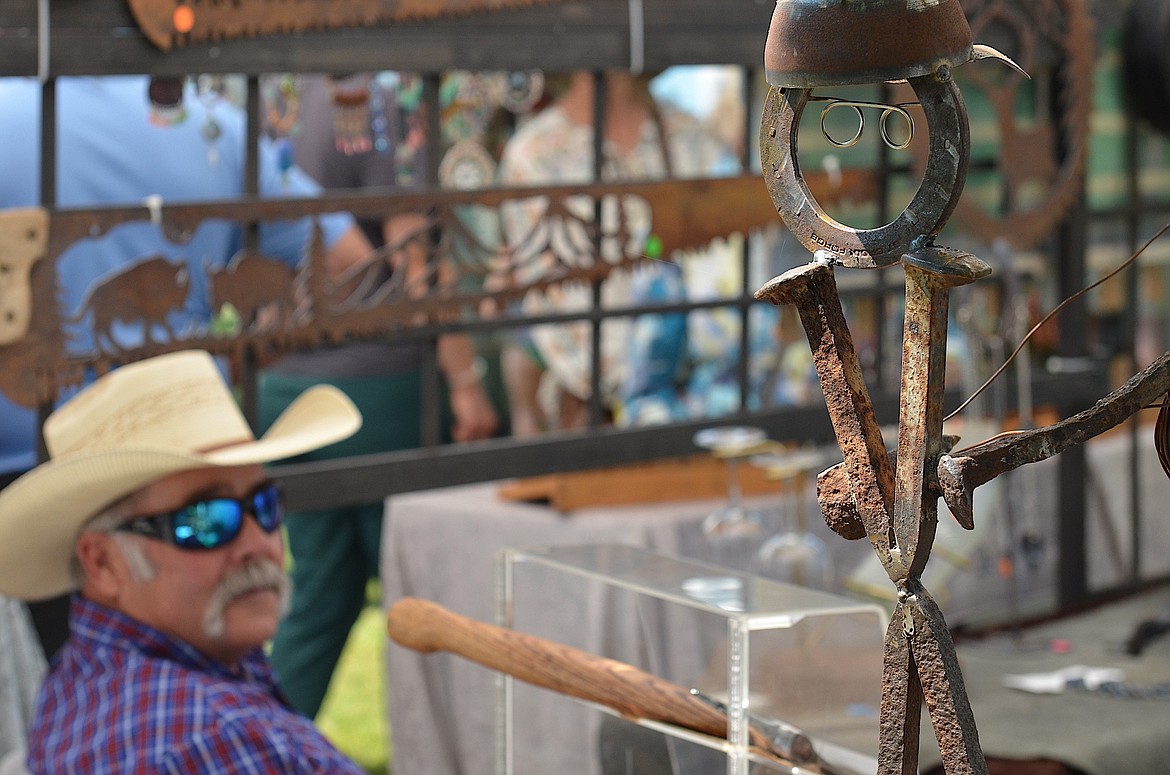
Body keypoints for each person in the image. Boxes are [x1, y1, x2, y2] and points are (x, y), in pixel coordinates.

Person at [0, 74, 374, 658]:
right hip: (187, 463)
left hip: (32, 476)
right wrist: (240, 355)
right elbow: (350, 266)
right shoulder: (208, 123)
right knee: (202, 680)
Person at [0, 349, 368, 774]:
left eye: (264, 505)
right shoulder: (218, 740)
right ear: (102, 562)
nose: (258, 542)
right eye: (206, 519)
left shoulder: (82, 676)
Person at [259, 72, 499, 718]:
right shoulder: (388, 100)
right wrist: (466, 381)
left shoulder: (289, 89)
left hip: (286, 388)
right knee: (419, 593)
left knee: (321, 594)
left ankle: (259, 743)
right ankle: (443, 753)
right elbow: (415, 266)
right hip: (375, 392)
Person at [496, 69, 763, 435]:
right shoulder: (534, 154)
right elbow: (556, 304)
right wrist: (638, 384)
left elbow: (732, 265)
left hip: (711, 392)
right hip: (598, 410)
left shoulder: (687, 133)